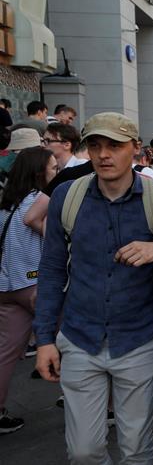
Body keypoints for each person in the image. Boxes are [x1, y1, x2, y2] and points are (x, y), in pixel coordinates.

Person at [33, 112, 153, 464]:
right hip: (79, 336)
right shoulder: (67, 198)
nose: (103, 155)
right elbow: (53, 269)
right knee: (83, 451)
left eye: (114, 146)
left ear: (134, 149)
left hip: (137, 339)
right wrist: (43, 340)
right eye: (96, 145)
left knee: (136, 449)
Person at [0, 147, 58, 434]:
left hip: (5, 288)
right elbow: (55, 239)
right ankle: (85, 404)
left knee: (5, 354)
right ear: (39, 173)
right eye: (53, 168)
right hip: (35, 285)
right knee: (74, 342)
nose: (56, 172)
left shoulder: (4, 202)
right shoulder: (40, 201)